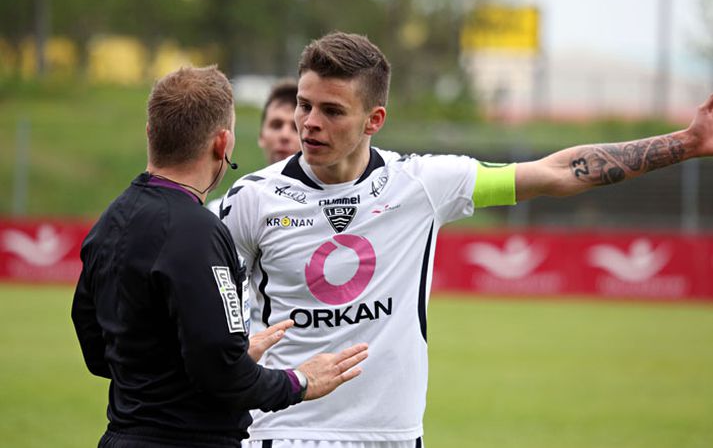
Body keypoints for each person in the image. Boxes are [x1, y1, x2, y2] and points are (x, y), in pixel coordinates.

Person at [219, 32, 713, 447]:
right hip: (283, 430)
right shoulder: (252, 199)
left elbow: (557, 172)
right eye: (305, 105)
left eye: (332, 111)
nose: (309, 122)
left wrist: (688, 143)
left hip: (391, 434)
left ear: (374, 120)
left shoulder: (422, 185)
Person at [71, 65, 368, 448]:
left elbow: (98, 351)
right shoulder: (199, 231)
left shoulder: (109, 221)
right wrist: (302, 381)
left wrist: (220, 356)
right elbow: (225, 375)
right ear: (222, 143)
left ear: (150, 132)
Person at [207, 79, 301, 215]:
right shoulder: (227, 210)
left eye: (295, 128)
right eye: (276, 125)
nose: (284, 135)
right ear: (261, 135)